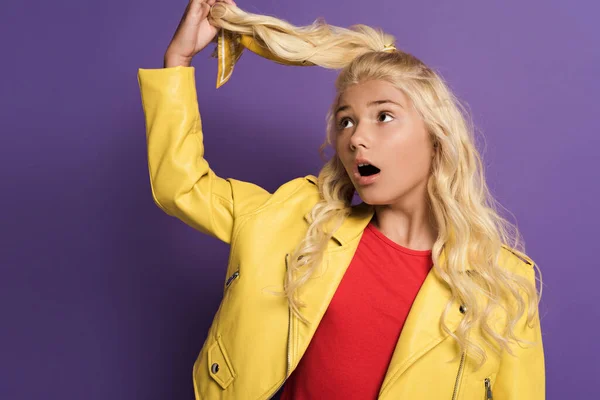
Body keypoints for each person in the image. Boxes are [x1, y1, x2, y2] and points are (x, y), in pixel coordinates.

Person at [137, 1, 545, 399]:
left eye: (383, 116)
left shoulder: (500, 286)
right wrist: (178, 60)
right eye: (346, 121)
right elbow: (182, 186)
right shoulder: (297, 222)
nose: (356, 138)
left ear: (437, 138)